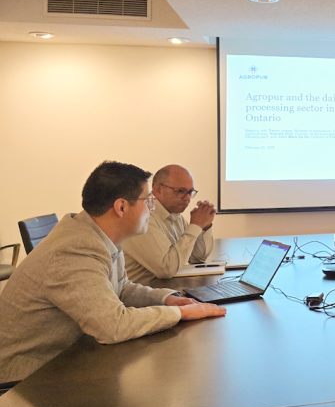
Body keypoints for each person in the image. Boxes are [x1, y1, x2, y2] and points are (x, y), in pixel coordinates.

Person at [0, 161, 226, 383]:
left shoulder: (98, 235)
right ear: (121, 207)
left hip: (64, 358)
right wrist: (180, 314)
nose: (152, 207)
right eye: (147, 200)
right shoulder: (75, 250)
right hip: (25, 380)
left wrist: (167, 299)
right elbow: (113, 326)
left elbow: (121, 288)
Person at [123, 165, 215, 284]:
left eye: (190, 192)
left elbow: (197, 258)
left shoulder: (177, 217)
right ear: (158, 189)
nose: (187, 198)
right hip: (139, 298)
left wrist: (204, 226)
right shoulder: (144, 218)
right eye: (181, 191)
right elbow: (166, 269)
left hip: (163, 290)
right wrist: (195, 226)